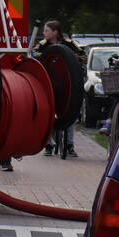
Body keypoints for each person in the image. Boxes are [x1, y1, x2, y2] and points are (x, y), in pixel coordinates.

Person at [34, 20, 84, 157]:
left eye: (47, 30)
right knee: (47, 113)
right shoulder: (42, 46)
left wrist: (71, 59)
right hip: (49, 84)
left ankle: (69, 145)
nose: (44, 33)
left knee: (71, 112)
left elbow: (82, 56)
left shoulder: (69, 44)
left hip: (68, 85)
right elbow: (36, 58)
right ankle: (48, 144)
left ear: (55, 32)